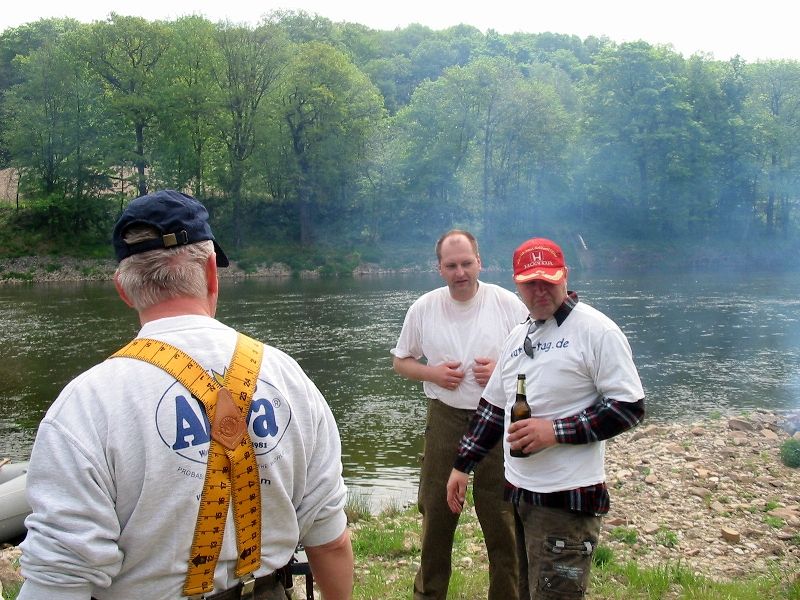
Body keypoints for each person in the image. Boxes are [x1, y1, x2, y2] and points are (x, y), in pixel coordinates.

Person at [18, 189, 353, 600]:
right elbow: (330, 540)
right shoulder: (288, 377)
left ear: (123, 289)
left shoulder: (86, 404)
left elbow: (59, 579)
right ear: (211, 272)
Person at [446, 237, 645, 600]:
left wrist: (554, 431)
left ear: (564, 276)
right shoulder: (519, 335)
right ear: (517, 284)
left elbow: (628, 406)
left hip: (567, 501)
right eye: (530, 283)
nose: (539, 291)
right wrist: (462, 466)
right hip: (521, 495)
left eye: (547, 281)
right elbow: (493, 408)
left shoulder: (596, 331)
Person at [391, 230, 528, 600]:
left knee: (501, 517)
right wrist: (432, 373)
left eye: (467, 263)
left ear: (479, 262)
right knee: (437, 514)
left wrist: (501, 370)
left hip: (497, 420)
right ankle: (429, 595)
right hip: (445, 418)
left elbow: (536, 358)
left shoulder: (507, 304)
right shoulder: (424, 308)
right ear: (440, 268)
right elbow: (401, 362)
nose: (460, 272)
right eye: (451, 265)